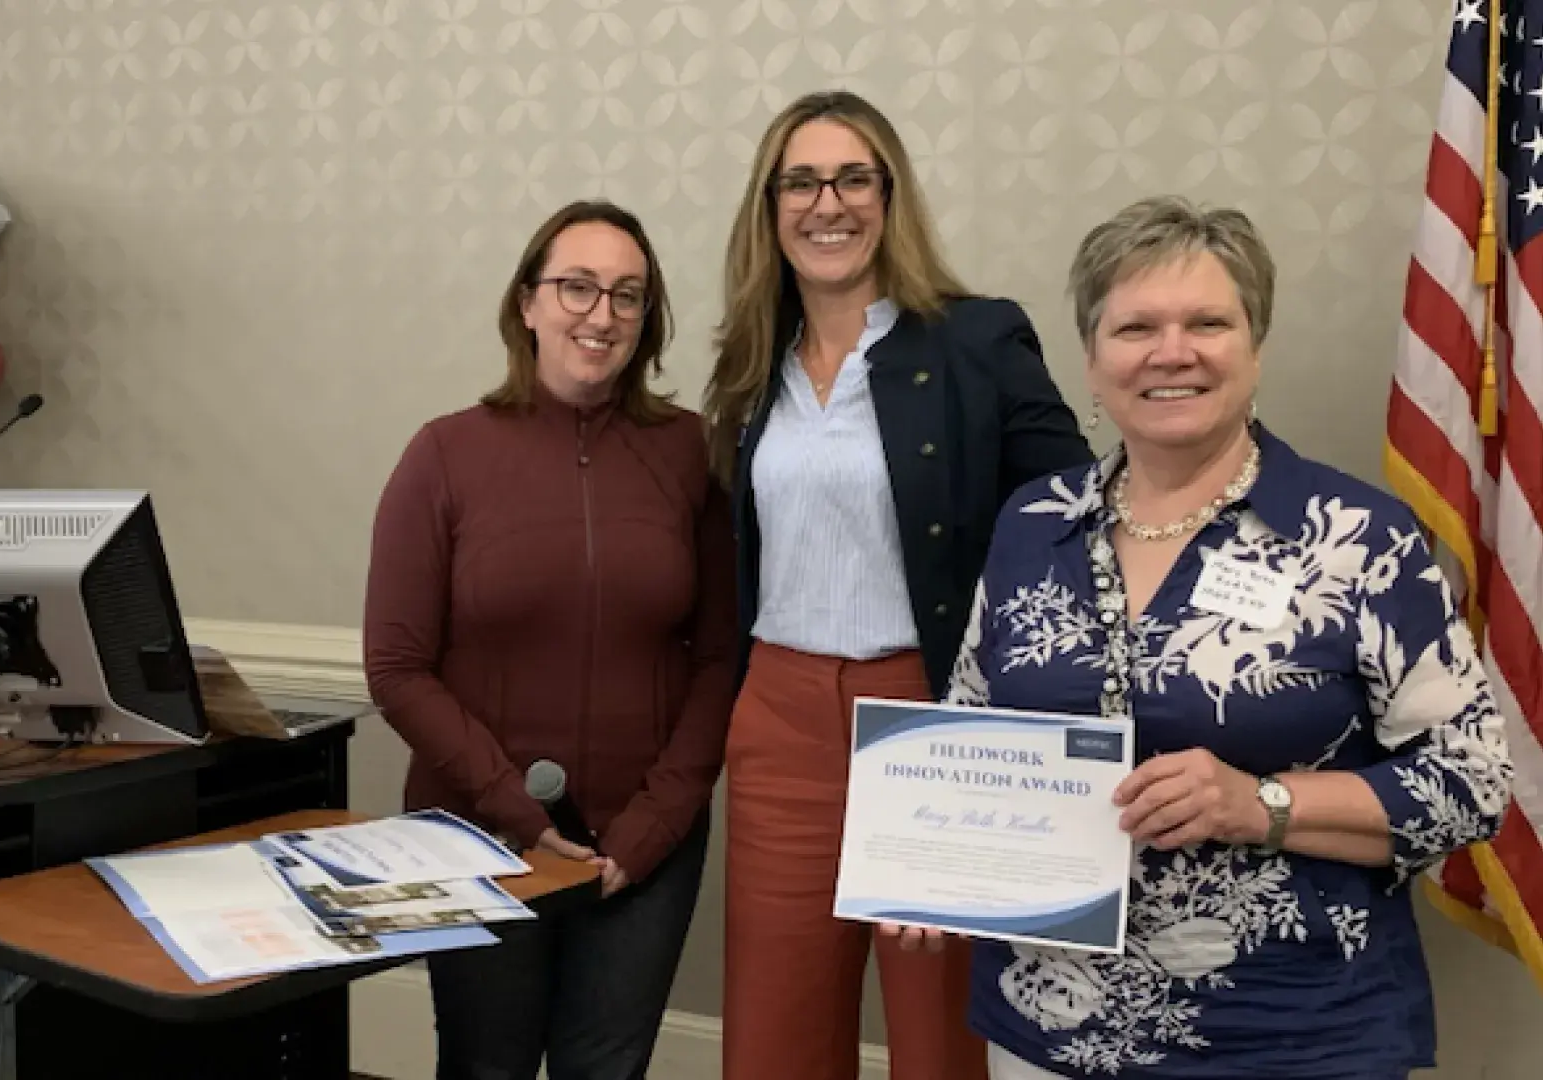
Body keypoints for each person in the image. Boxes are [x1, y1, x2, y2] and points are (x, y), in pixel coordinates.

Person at [890, 194, 1515, 1080]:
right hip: (1047, 1026)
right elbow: (973, 728)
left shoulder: (1357, 539)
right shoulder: (1034, 523)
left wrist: (1260, 804)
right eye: (1135, 325)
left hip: (1286, 1034)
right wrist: (929, 865)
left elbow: (1471, 781)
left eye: (1207, 322)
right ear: (1093, 358)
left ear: (1254, 347)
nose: (1170, 351)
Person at [702, 89, 1094, 1080]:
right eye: (800, 181)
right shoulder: (752, 367)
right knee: (774, 1038)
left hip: (933, 718)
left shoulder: (977, 341)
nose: (826, 202)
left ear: (889, 196)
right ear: (770, 205)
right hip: (779, 720)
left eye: (852, 178)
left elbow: (1076, 522)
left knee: (940, 1039)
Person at [362, 199, 736, 1080]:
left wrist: (656, 824)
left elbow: (722, 657)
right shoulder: (444, 455)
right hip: (479, 841)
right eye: (577, 287)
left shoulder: (691, 455)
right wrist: (514, 813)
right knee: (484, 1067)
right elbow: (397, 666)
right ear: (526, 303)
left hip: (642, 850)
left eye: (628, 295)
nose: (600, 315)